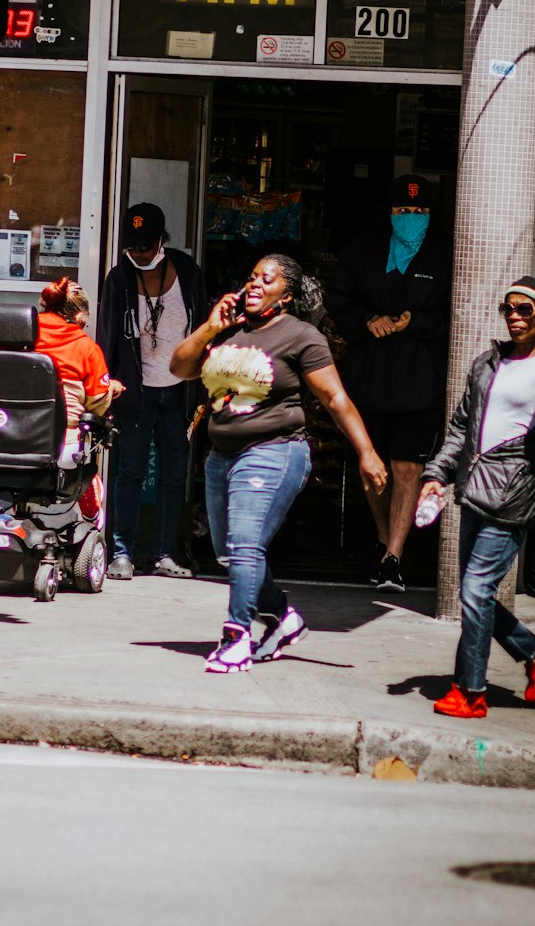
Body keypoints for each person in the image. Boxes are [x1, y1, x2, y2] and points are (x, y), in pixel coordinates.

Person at [170, 254, 387, 673]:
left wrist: (367, 452)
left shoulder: (302, 336)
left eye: (265, 280)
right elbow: (179, 366)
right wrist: (212, 325)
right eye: (250, 277)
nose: (253, 285)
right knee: (229, 555)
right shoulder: (228, 332)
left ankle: (236, 637)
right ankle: (284, 619)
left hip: (275, 450)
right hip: (221, 457)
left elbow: (335, 398)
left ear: (286, 295)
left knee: (244, 545)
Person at [418, 276, 535, 719]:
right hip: (475, 487)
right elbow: (461, 427)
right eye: (510, 308)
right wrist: (436, 474)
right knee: (475, 592)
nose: (515, 317)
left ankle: (470, 691)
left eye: (527, 310)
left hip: (516, 490)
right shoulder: (488, 362)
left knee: (476, 589)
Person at [328, 173, 452, 592]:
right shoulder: (363, 251)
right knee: (374, 470)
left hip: (420, 383)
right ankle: (385, 541)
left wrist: (417, 321)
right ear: (390, 213)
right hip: (369, 381)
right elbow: (338, 299)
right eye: (403, 211)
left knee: (406, 466)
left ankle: (394, 558)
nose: (411, 219)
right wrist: (367, 320)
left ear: (431, 214)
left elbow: (459, 310)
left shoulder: (444, 253)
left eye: (419, 212)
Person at [97, 202, 207, 580]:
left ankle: (166, 554)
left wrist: (205, 389)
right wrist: (107, 382)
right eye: (133, 247)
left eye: (146, 246)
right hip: (135, 392)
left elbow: (205, 327)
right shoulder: (120, 278)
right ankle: (121, 553)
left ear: (163, 240)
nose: (140, 253)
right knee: (129, 470)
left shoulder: (188, 271)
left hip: (180, 392)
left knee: (175, 472)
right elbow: (108, 335)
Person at [35, 278, 123, 506]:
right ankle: (87, 489)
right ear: (79, 317)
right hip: (58, 449)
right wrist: (111, 387)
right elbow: (99, 404)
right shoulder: (85, 348)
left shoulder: (10, 337)